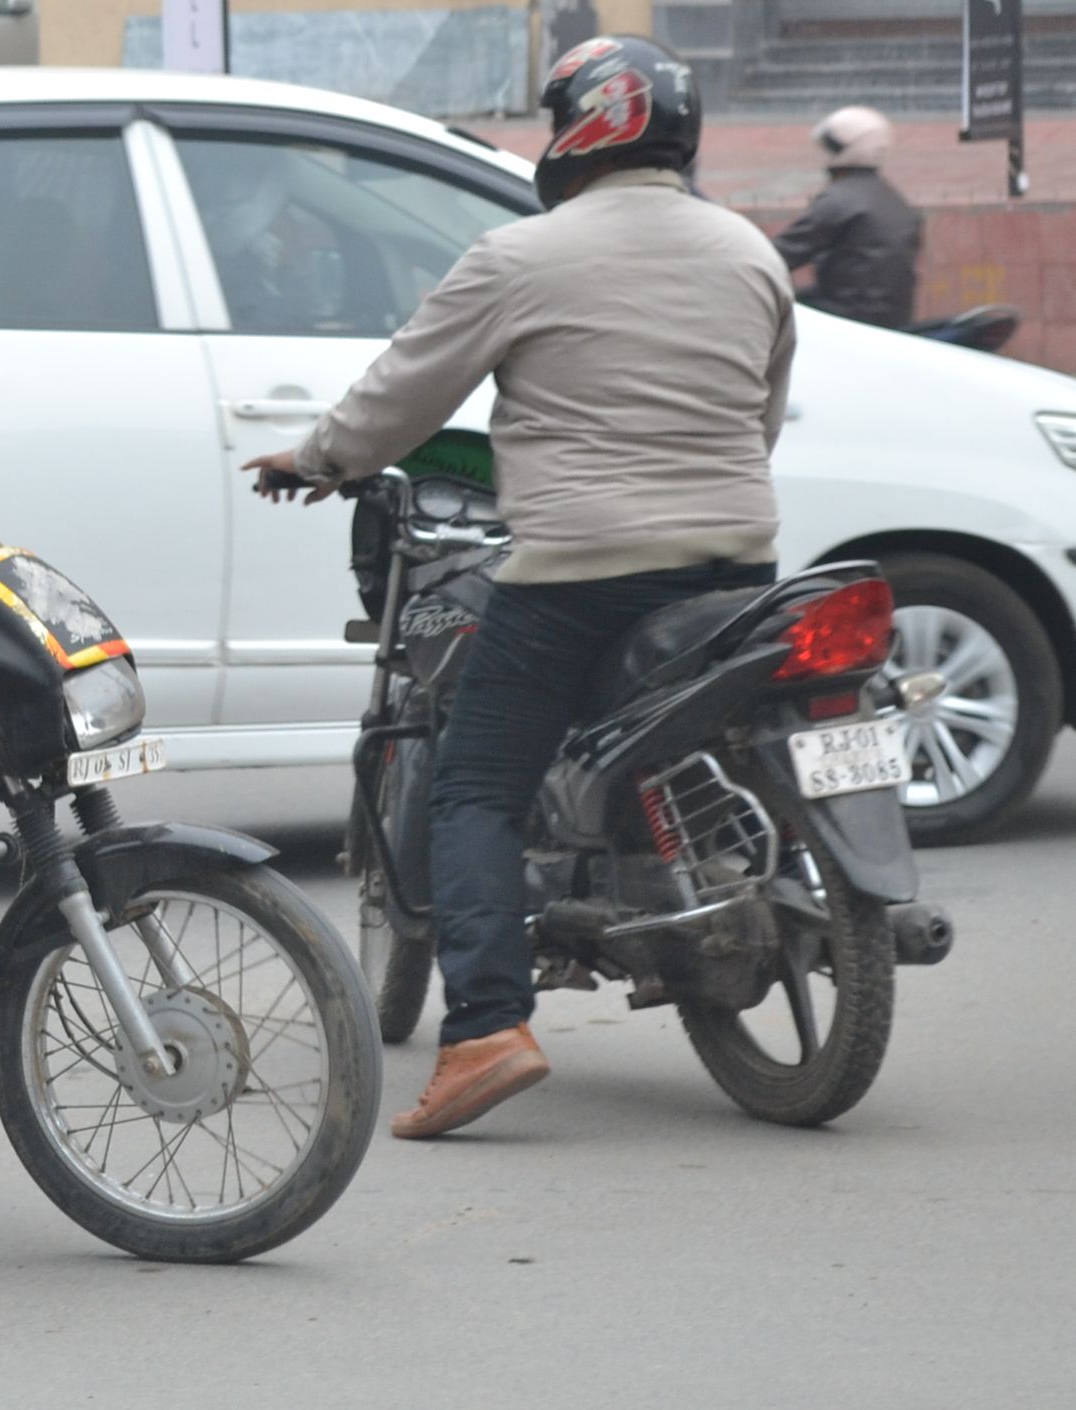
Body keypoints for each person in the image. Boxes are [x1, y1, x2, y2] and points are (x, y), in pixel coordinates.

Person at [243, 36, 796, 1139]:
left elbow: (402, 393)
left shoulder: (521, 256)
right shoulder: (748, 252)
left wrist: (319, 460)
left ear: (580, 127)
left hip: (582, 568)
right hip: (737, 561)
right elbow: (759, 416)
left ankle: (486, 1028)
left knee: (471, 786)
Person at [773, 106, 923, 330]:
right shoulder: (892, 199)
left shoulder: (840, 200)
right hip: (892, 317)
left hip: (848, 316)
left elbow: (782, 252)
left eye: (832, 147)